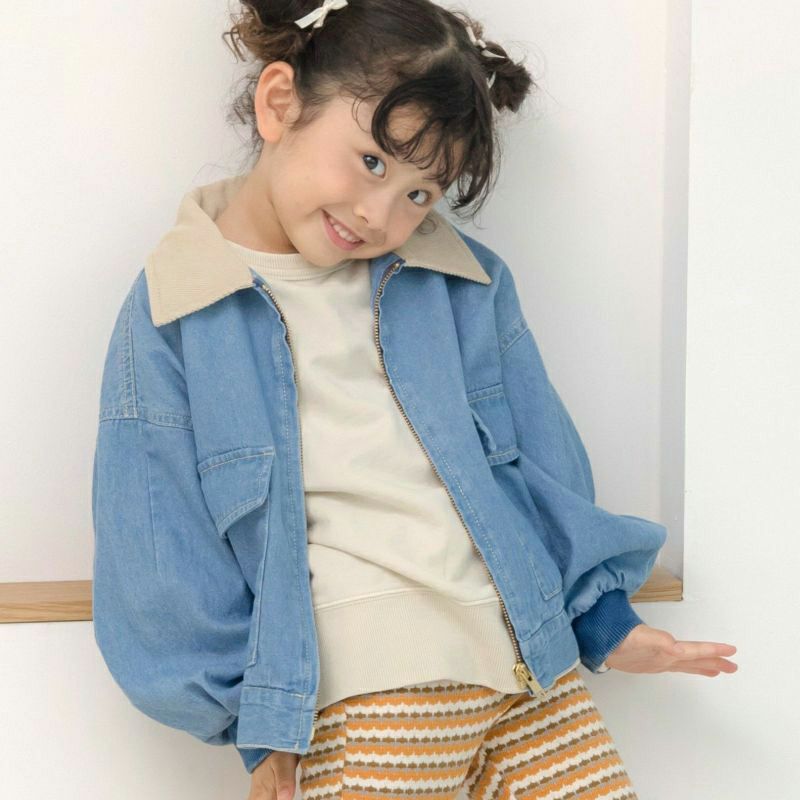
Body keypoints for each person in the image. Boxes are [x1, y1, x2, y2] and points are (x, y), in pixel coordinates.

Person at [90, 2, 738, 799]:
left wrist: (604, 621)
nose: (380, 215)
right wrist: (259, 727)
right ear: (279, 102)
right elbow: (158, 546)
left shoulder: (461, 284)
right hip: (372, 697)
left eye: (421, 194)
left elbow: (540, 464)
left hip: (530, 670)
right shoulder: (177, 310)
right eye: (371, 161)